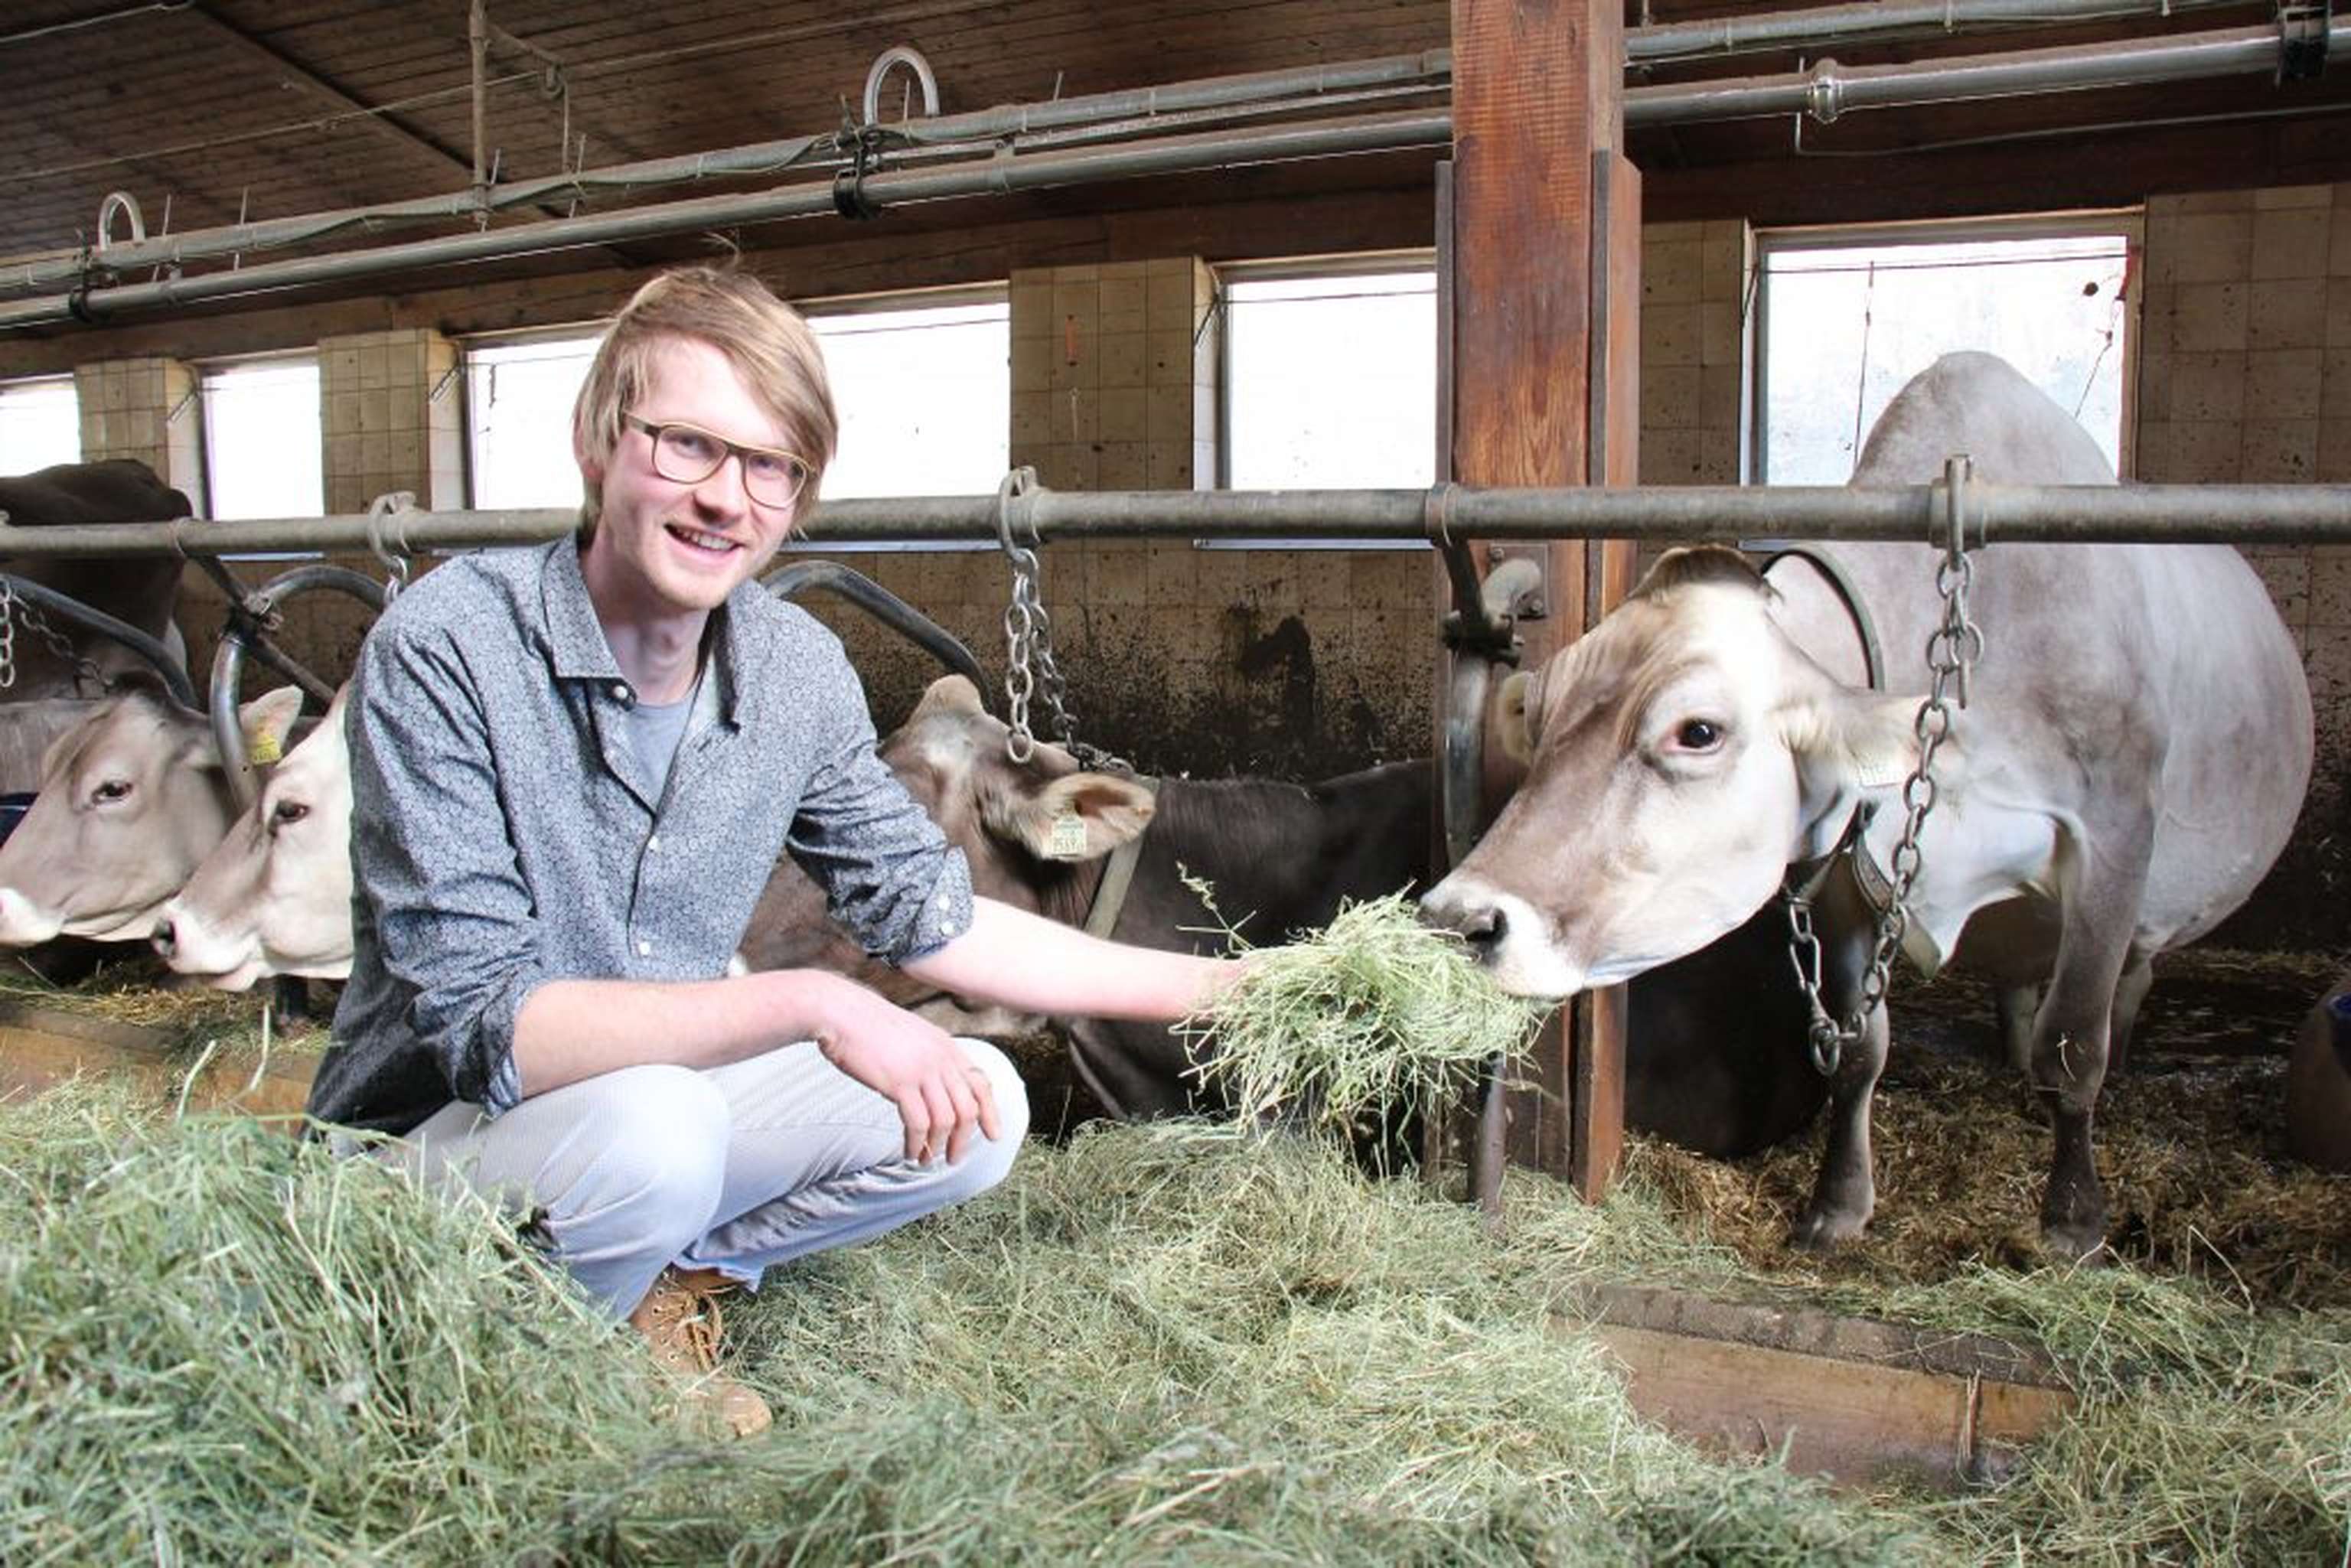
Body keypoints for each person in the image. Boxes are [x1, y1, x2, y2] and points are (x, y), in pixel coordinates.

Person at [305, 266, 1236, 1438]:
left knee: (978, 1103)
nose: (725, 498)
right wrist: (817, 1004)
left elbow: (932, 915)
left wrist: (1229, 989)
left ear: (799, 496)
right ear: (599, 441)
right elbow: (488, 1024)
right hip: (425, 1156)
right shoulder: (447, 645)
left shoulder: (793, 669)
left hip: (648, 1125)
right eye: (687, 445)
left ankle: (657, 1285)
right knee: (661, 1130)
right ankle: (493, 1380)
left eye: (769, 466)